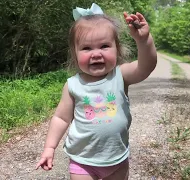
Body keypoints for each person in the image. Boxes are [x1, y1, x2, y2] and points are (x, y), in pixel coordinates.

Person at [35, 3, 157, 180]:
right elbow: (61, 118)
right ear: (75, 53)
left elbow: (146, 67)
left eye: (104, 46)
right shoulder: (73, 85)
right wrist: (49, 147)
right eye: (86, 48)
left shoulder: (120, 76)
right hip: (82, 161)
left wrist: (144, 41)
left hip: (117, 160)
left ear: (117, 48)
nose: (96, 54)